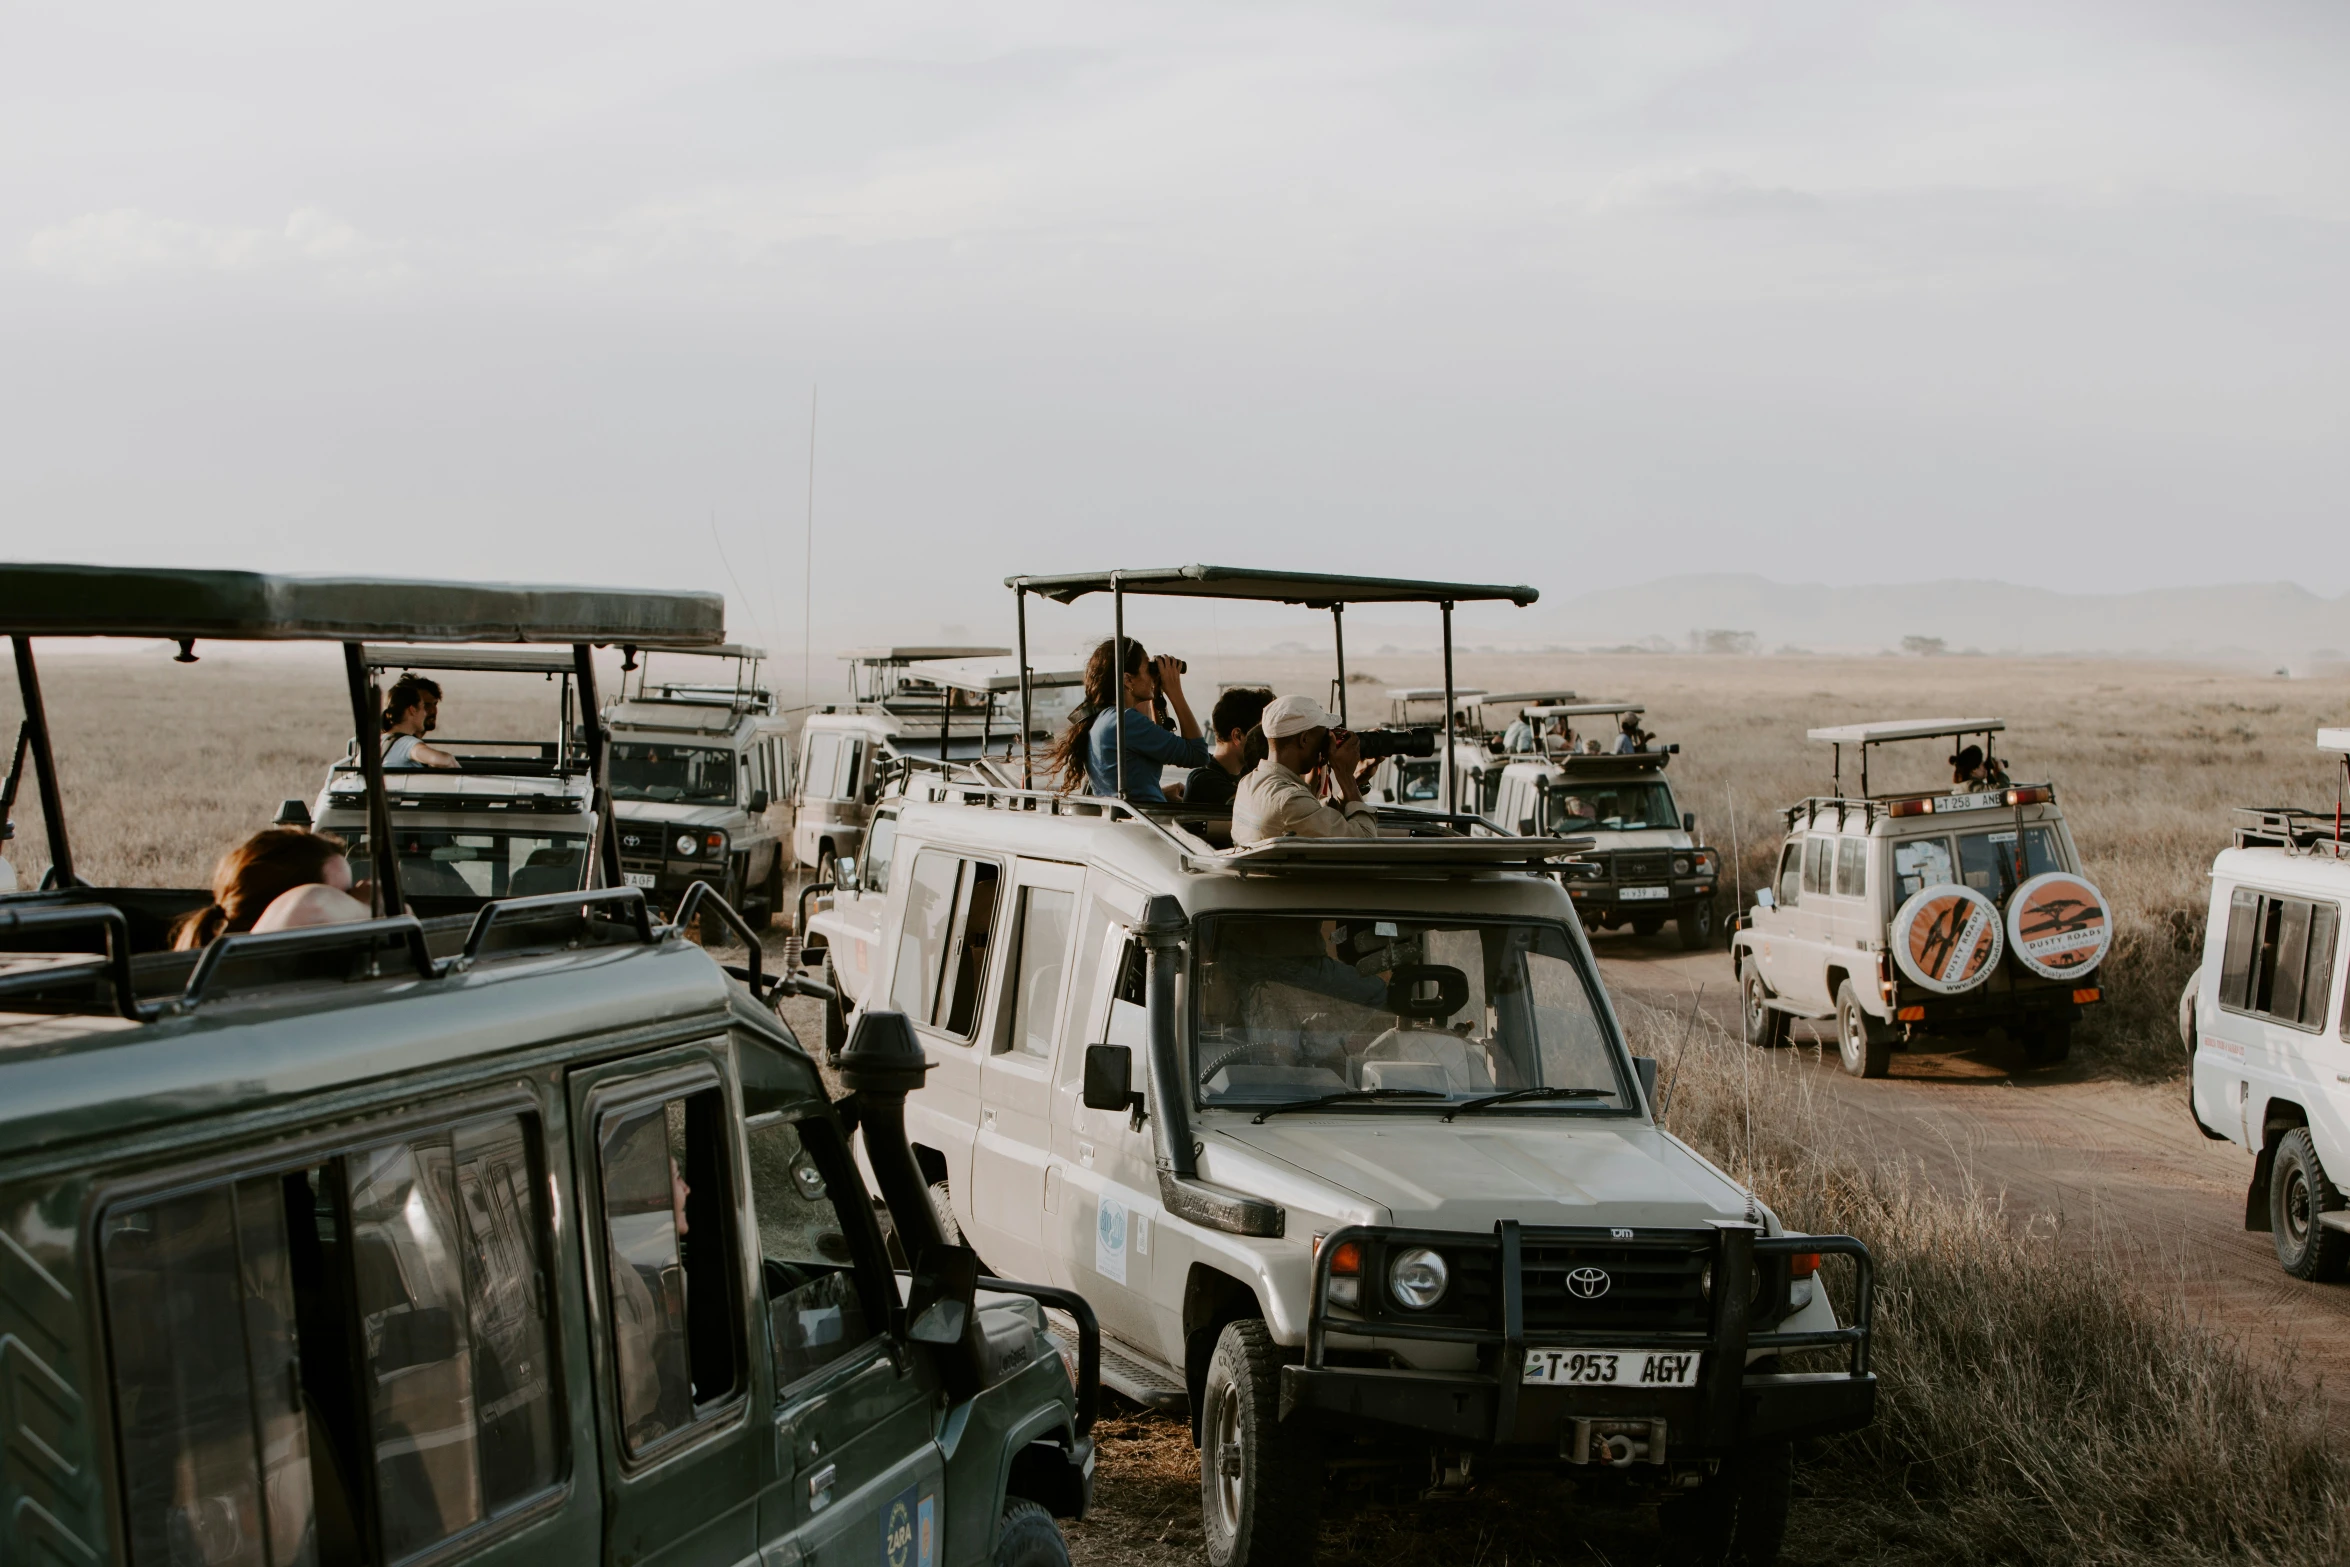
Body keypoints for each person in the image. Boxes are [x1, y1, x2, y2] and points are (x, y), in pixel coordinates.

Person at [1046, 639, 1208, 803]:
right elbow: (1198, 755)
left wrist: (1157, 692)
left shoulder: (1104, 719)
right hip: (1145, 824)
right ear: (1128, 680)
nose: (1152, 676)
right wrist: (1175, 691)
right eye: (1148, 669)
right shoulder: (1124, 722)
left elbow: (1158, 749)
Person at [170, 828, 373, 949]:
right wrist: (370, 907)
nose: (350, 902)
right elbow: (314, 903)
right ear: (280, 905)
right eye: (342, 897)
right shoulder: (252, 971)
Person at [1231, 694, 1381, 846]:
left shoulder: (1249, 783)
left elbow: (1311, 816)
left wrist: (1355, 781)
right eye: (1324, 736)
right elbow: (1365, 843)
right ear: (1304, 739)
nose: (1327, 744)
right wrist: (1345, 775)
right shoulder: (1289, 800)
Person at [1182, 687, 1274, 810]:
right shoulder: (1205, 781)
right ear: (1237, 736)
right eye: (1262, 734)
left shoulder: (1246, 772)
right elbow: (1261, 809)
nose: (1268, 740)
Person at [382, 674, 458, 769]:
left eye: (435, 704)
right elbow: (438, 759)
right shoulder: (406, 743)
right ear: (412, 710)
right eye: (424, 706)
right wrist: (450, 758)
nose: (430, 711)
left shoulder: (381, 740)